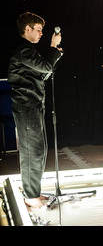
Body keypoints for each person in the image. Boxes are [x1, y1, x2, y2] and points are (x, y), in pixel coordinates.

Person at [7, 12, 63, 208]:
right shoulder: (24, 51)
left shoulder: (29, 51)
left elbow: (43, 75)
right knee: (33, 152)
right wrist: (53, 48)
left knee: (38, 150)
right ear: (27, 29)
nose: (41, 33)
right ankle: (30, 196)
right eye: (38, 30)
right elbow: (47, 67)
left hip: (34, 106)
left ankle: (34, 193)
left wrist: (53, 54)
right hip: (26, 107)